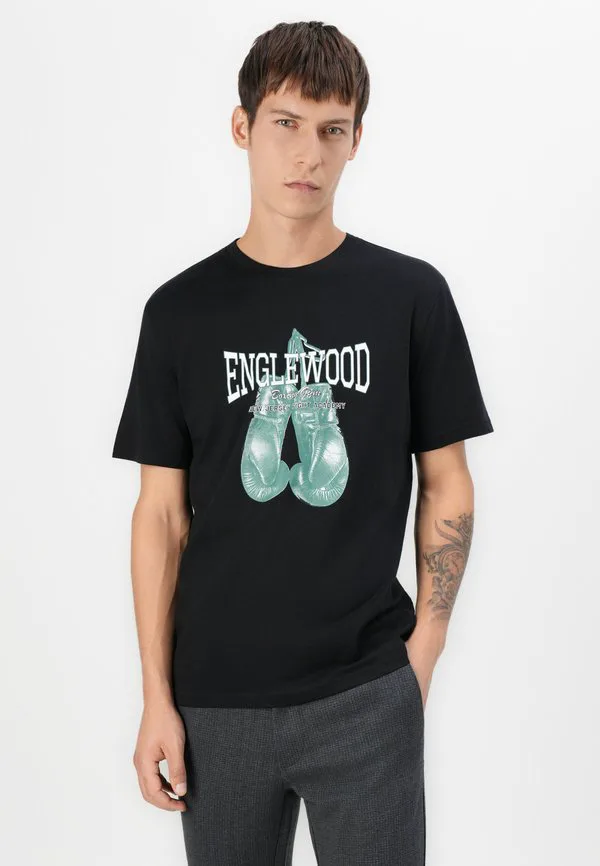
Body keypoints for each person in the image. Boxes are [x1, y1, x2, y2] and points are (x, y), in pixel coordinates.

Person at [111, 19, 494, 866]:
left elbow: (448, 482)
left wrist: (422, 656)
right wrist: (155, 695)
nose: (307, 154)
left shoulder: (410, 296)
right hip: (216, 698)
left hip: (366, 691)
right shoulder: (179, 313)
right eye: (285, 123)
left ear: (357, 140)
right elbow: (160, 516)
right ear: (242, 127)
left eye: (332, 129)